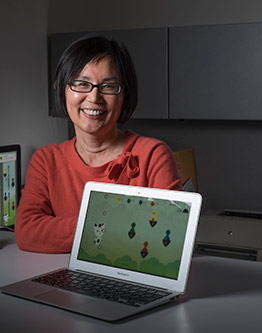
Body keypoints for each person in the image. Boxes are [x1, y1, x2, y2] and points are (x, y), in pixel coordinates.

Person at [15, 34, 182, 253]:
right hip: (62, 278)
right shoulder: (46, 160)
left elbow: (170, 239)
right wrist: (111, 226)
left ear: (125, 96)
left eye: (109, 86)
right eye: (81, 84)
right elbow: (28, 232)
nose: (94, 98)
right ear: (62, 90)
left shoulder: (154, 155)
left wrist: (75, 232)